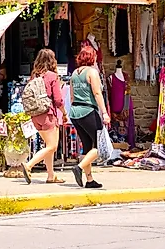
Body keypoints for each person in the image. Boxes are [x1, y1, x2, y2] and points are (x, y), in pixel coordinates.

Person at [21, 48, 67, 184]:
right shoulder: (52, 76)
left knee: (48, 146)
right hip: (48, 114)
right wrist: (64, 113)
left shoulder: (34, 75)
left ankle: (51, 176)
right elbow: (58, 100)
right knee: (52, 146)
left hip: (36, 115)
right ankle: (29, 165)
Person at [68, 44, 111, 188]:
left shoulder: (74, 74)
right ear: (92, 58)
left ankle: (90, 180)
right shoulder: (92, 72)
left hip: (75, 112)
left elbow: (72, 97)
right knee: (100, 145)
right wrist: (104, 113)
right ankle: (79, 167)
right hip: (88, 111)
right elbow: (97, 93)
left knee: (87, 146)